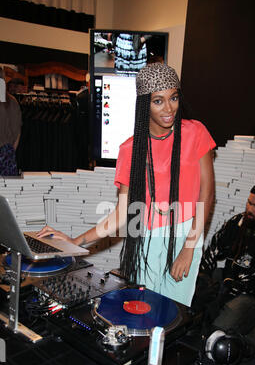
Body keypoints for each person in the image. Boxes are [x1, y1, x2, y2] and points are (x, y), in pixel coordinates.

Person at [38, 63, 215, 306]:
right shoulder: (130, 149)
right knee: (144, 310)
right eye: (158, 101)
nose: (169, 108)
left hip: (185, 234)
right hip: (145, 240)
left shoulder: (195, 132)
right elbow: (123, 214)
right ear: (144, 104)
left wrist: (189, 247)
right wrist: (74, 242)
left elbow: (207, 193)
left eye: (173, 98)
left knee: (173, 313)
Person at [191, 169, 255, 336]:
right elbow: (213, 250)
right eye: (249, 202)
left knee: (218, 331)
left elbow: (253, 280)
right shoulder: (237, 222)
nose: (250, 209)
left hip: (254, 293)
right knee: (192, 299)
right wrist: (203, 277)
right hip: (228, 279)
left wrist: (218, 298)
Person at [0, 68, 22, 176]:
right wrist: (10, 152)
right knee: (7, 190)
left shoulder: (11, 102)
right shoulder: (13, 102)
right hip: (7, 155)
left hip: (6, 153)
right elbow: (17, 133)